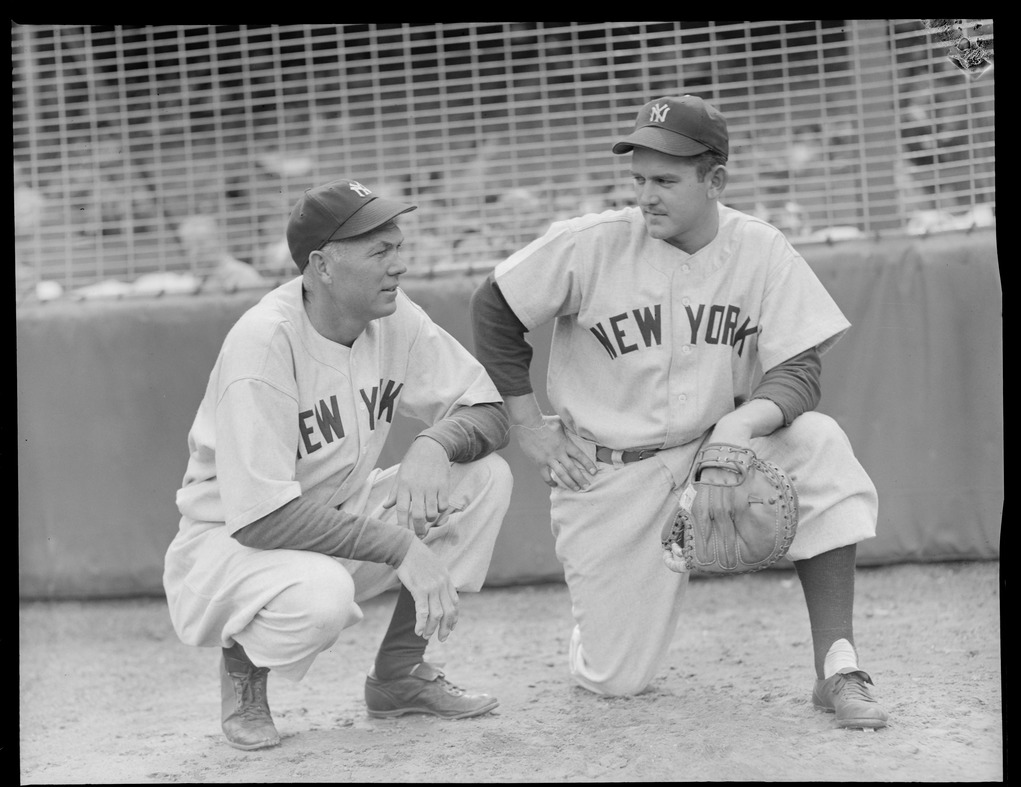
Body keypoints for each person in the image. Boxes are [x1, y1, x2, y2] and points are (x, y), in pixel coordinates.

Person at [469, 95, 889, 729]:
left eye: (665, 180)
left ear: (714, 180)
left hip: (719, 454)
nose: (647, 195)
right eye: (638, 179)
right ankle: (601, 627)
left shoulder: (761, 250)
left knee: (821, 445)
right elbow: (494, 309)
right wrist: (529, 426)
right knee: (615, 681)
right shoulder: (592, 244)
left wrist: (740, 426)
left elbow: (800, 366)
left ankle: (837, 665)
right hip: (611, 475)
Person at [164, 178, 514, 750]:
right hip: (230, 547)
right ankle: (243, 669)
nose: (399, 265)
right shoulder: (264, 341)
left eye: (399, 247)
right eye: (381, 252)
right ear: (322, 266)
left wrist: (434, 444)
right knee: (321, 598)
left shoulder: (394, 317)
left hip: (334, 517)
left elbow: (489, 411)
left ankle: (400, 674)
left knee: (481, 479)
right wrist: (402, 546)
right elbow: (260, 518)